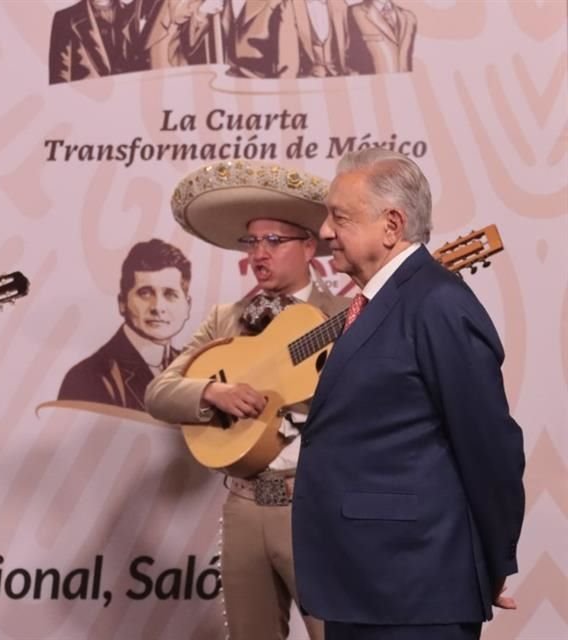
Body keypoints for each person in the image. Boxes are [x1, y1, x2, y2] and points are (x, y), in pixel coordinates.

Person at [292, 148, 525, 640]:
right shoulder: (377, 303)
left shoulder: (438, 302)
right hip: (363, 584)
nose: (326, 232)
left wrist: (492, 559)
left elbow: (490, 447)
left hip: (413, 590)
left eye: (339, 217)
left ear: (392, 225)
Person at [146, 161, 348, 640]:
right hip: (242, 508)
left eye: (274, 241)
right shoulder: (225, 320)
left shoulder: (346, 313)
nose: (260, 253)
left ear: (308, 246)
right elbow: (159, 393)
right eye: (252, 242)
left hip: (315, 506)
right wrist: (212, 391)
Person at [58, 238, 192, 411]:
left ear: (187, 306)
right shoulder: (88, 377)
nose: (158, 307)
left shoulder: (194, 366)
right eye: (145, 293)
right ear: (122, 303)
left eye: (170, 294)